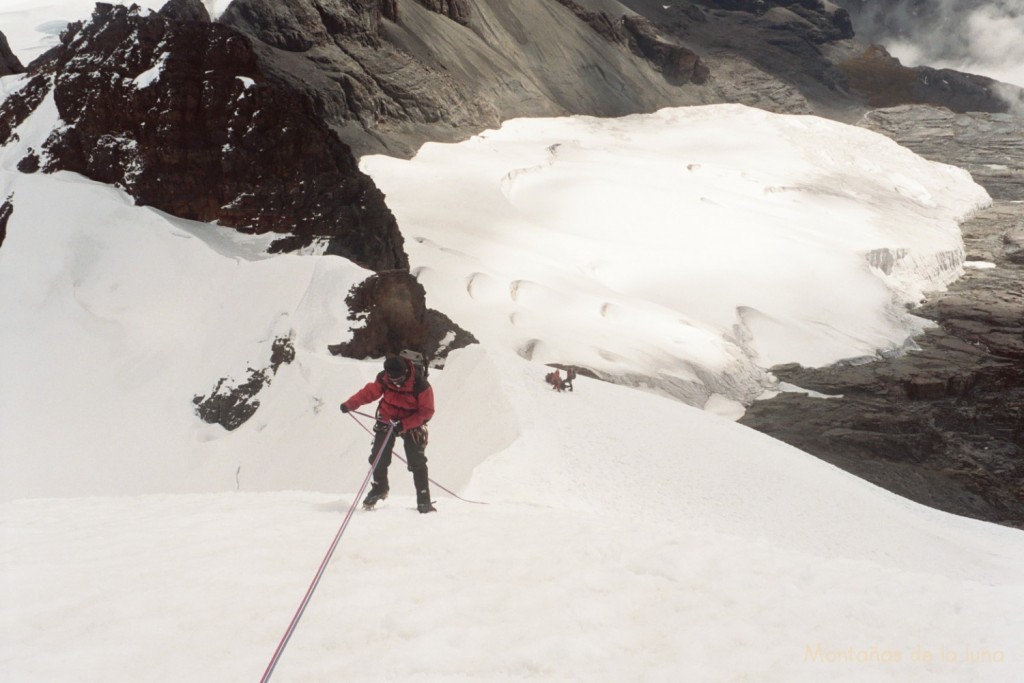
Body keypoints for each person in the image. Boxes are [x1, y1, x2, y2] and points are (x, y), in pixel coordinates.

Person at [340, 355, 436, 513]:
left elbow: (426, 412)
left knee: (416, 461)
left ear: (405, 372)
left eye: (398, 378)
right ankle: (379, 488)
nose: (395, 381)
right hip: (387, 419)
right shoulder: (384, 378)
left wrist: (404, 425)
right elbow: (369, 392)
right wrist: (350, 404)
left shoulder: (421, 385)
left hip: (411, 423)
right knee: (378, 456)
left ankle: (424, 499)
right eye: (392, 378)